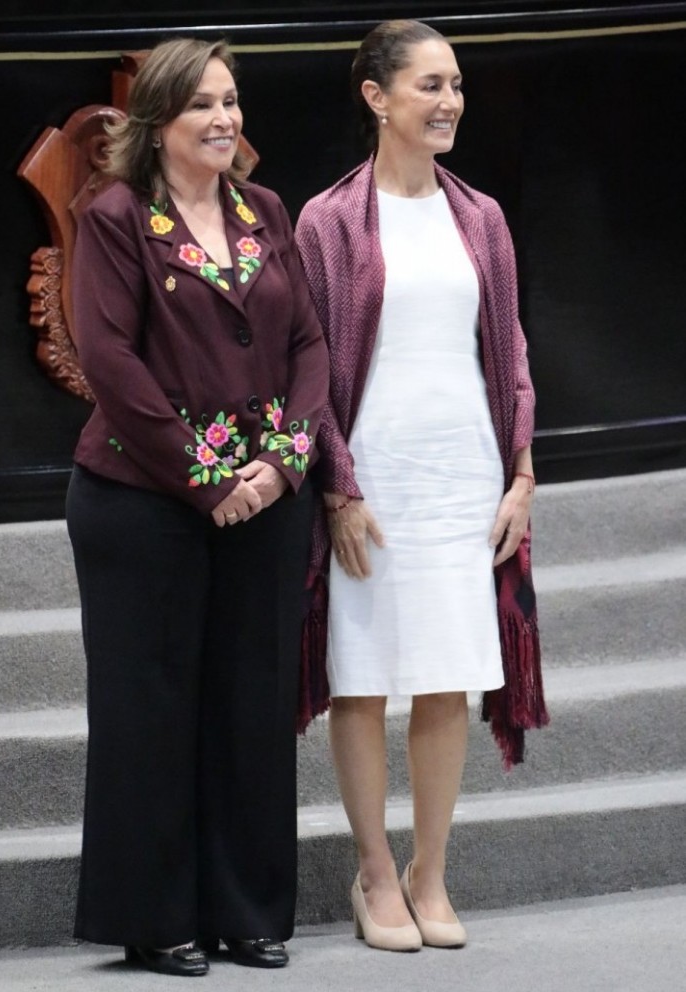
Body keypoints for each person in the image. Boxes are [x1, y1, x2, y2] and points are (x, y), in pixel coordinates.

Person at [66, 37, 328, 976]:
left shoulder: (266, 209)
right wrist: (209, 480)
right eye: (202, 106)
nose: (224, 119)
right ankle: (156, 917)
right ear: (158, 124)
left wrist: (281, 467)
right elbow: (110, 363)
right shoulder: (115, 217)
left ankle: (246, 911)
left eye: (230, 101)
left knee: (253, 703)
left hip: (267, 497)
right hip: (143, 502)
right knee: (151, 708)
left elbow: (310, 346)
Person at [295, 19, 547, 953]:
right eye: (430, 85)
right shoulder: (327, 220)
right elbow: (307, 368)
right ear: (377, 97)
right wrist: (338, 489)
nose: (450, 102)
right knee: (363, 682)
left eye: (457, 85)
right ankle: (374, 874)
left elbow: (511, 353)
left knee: (446, 678)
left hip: (463, 479)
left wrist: (522, 473)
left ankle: (428, 873)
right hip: (370, 482)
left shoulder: (481, 217)